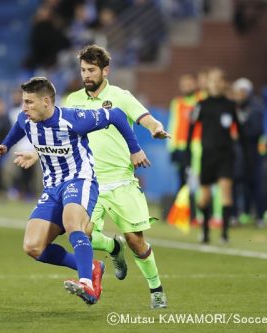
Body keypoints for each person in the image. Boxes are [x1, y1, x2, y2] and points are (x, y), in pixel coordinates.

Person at [14, 45, 170, 309]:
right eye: (83, 70)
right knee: (82, 232)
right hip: (87, 180)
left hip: (121, 180)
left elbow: (146, 118)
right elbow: (57, 138)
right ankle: (111, 249)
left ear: (105, 71)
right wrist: (35, 154)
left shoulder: (121, 96)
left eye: (91, 70)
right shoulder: (72, 100)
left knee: (135, 239)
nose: (86, 75)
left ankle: (156, 288)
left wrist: (156, 128)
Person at [0, 76, 151, 305]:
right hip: (52, 187)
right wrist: (4, 146)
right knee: (33, 247)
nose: (24, 107)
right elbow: (18, 128)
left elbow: (115, 115)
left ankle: (87, 283)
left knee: (73, 222)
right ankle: (92, 266)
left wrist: (135, 149)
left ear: (46, 101)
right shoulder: (25, 119)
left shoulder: (74, 119)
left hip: (80, 180)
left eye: (29, 102)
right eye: (24, 102)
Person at [186, 68, 243, 244]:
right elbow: (191, 129)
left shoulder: (230, 105)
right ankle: (205, 231)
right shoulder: (201, 104)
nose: (215, 84)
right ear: (207, 84)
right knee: (204, 197)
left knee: (226, 192)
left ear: (224, 83)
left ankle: (224, 234)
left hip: (226, 155)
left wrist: (242, 150)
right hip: (207, 155)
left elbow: (239, 129)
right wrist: (187, 154)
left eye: (219, 80)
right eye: (212, 80)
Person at [231, 78, 266, 228]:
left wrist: (241, 133)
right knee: (235, 184)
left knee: (255, 184)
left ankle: (259, 216)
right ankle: (235, 215)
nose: (238, 95)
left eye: (241, 92)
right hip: (237, 152)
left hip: (251, 152)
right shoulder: (233, 108)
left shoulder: (255, 108)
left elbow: (257, 131)